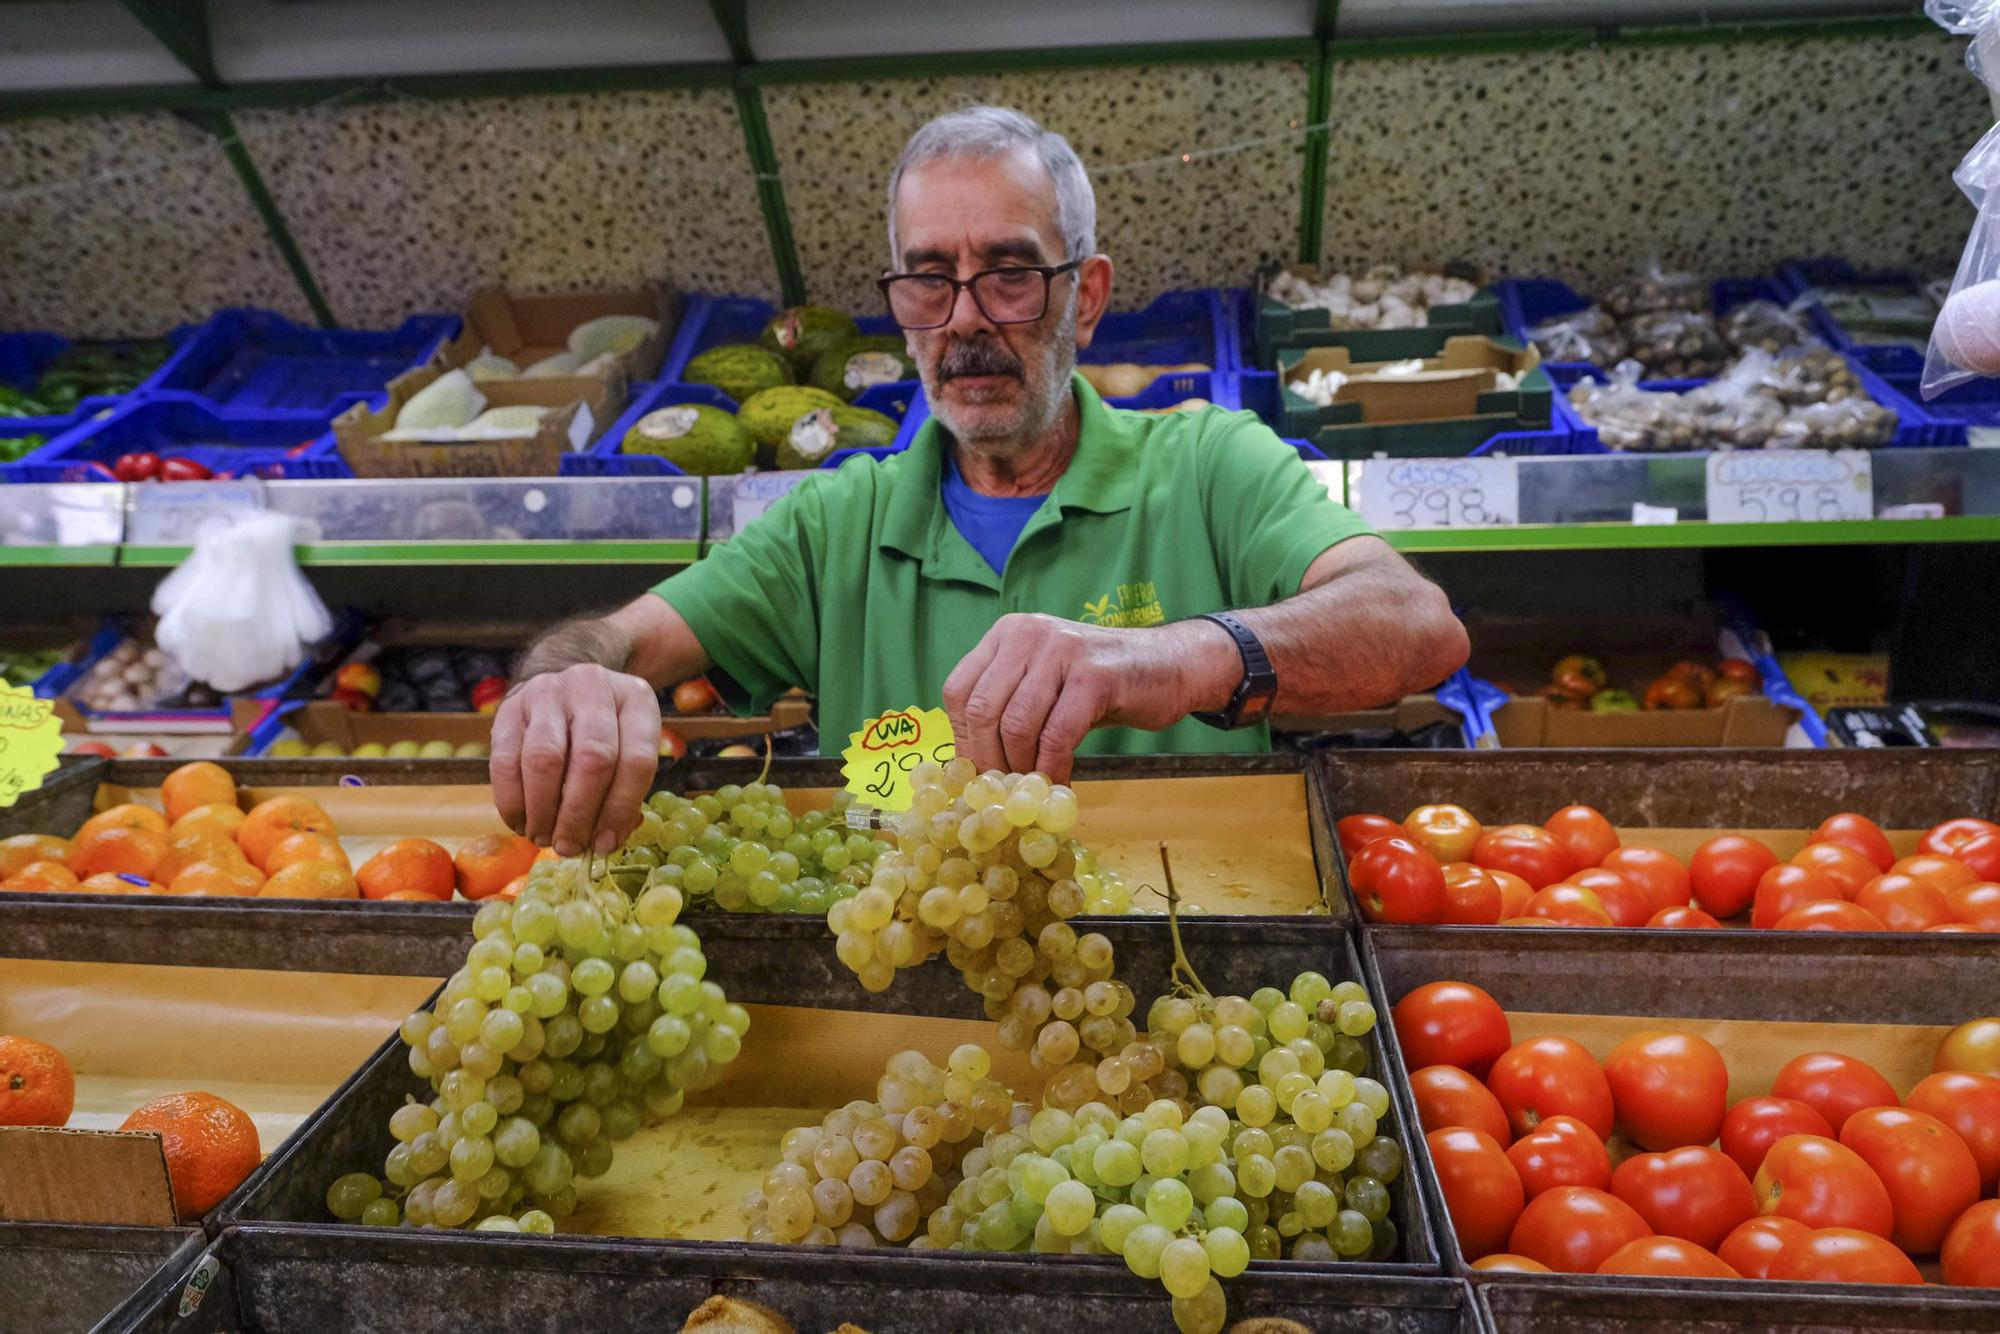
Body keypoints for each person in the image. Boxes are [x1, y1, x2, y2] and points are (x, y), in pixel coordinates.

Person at [492, 105, 1467, 857]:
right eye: (927, 278)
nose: (962, 319)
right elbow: (613, 639)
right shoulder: (834, 524)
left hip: (1181, 988)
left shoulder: (1208, 465)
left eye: (1008, 273)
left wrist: (1171, 659)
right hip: (917, 1028)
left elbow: (1413, 624)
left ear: (1083, 297)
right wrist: (562, 680)